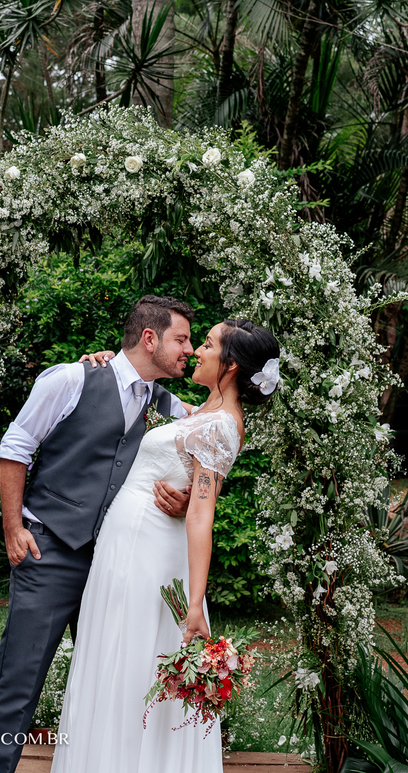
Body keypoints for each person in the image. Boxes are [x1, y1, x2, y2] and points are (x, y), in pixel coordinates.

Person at [50, 319, 281, 773]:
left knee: (132, 664)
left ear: (231, 365)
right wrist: (102, 365)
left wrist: (194, 603)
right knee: (115, 661)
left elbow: (200, 512)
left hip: (148, 555)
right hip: (129, 545)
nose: (196, 351)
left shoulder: (220, 426)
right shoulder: (203, 413)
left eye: (209, 345)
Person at [0, 295, 197, 773]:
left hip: (116, 563)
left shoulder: (170, 408)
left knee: (114, 680)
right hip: (50, 550)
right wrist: (13, 527)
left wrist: (185, 504)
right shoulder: (72, 378)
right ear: (149, 338)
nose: (190, 349)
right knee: (21, 678)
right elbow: (15, 446)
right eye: (181, 339)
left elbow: (197, 467)